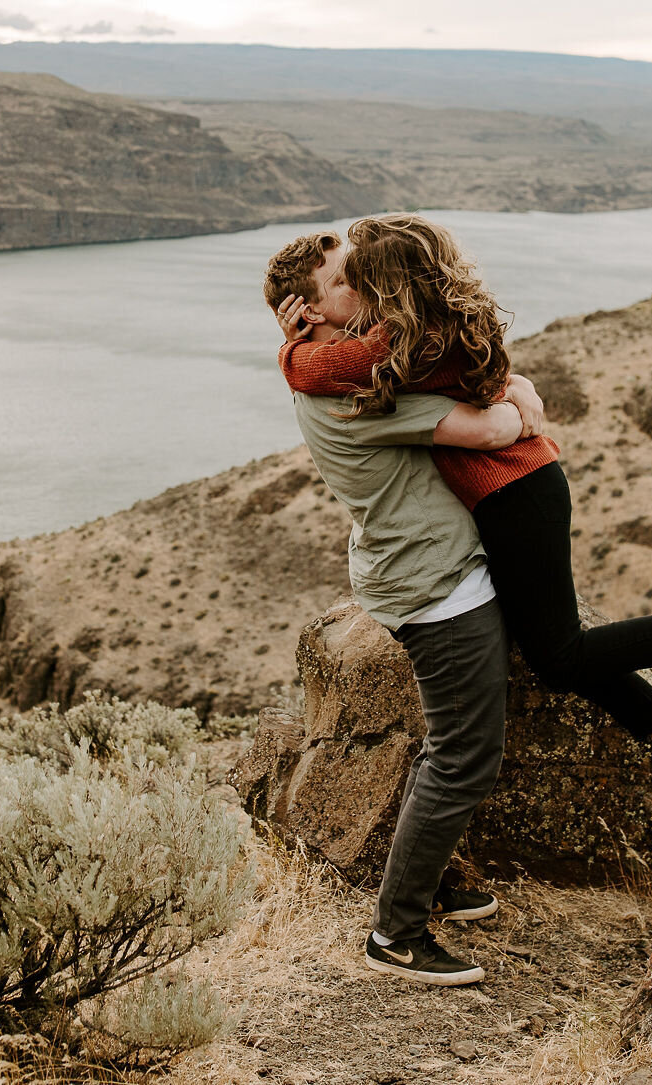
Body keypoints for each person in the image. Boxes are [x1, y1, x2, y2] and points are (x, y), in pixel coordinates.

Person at [267, 216, 652, 842]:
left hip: (515, 492)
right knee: (549, 644)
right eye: (343, 278)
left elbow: (323, 376)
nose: (357, 283)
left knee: (559, 654)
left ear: (396, 280)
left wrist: (290, 350)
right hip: (508, 493)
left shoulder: (403, 341)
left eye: (361, 272)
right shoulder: (413, 324)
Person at [262, 232, 537, 988]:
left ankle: (430, 874)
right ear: (308, 314)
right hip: (436, 581)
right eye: (348, 281)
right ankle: (397, 930)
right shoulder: (348, 389)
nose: (367, 285)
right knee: (464, 753)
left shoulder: (332, 371)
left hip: (417, 567)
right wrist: (523, 400)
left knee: (442, 740)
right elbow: (490, 427)